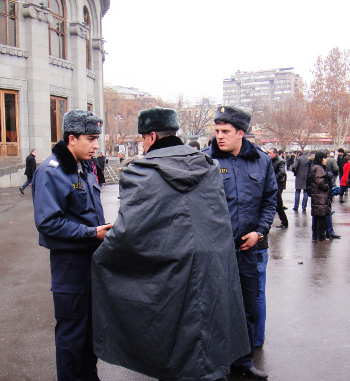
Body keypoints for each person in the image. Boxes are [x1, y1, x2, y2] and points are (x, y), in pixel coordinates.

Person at [91, 107, 249, 381]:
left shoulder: (139, 172)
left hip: (170, 272)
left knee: (176, 340)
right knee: (206, 334)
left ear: (152, 136)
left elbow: (130, 231)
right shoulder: (209, 167)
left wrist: (104, 251)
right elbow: (218, 220)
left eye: (143, 139)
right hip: (211, 268)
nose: (143, 144)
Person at [32, 110, 113, 381]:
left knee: (90, 331)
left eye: (97, 139)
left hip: (92, 263)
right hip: (70, 268)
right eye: (90, 139)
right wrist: (92, 233)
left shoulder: (84, 167)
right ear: (71, 139)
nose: (96, 146)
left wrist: (100, 232)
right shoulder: (51, 171)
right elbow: (48, 223)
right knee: (71, 335)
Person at [202, 105, 276, 380]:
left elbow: (269, 200)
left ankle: (242, 361)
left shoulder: (261, 160)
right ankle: (215, 364)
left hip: (247, 248)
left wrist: (260, 231)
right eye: (217, 131)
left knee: (246, 306)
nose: (219, 136)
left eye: (225, 131)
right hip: (214, 250)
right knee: (213, 307)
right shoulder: (204, 160)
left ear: (241, 133)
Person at [310, 150, 331, 242]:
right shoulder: (319, 168)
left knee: (316, 217)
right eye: (325, 158)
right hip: (321, 195)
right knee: (321, 217)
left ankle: (315, 236)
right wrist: (327, 187)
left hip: (316, 194)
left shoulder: (314, 167)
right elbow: (321, 182)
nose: (326, 159)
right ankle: (321, 237)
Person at [255, 231, 269, 349]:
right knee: (258, 293)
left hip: (235, 242)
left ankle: (255, 338)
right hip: (259, 243)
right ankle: (257, 339)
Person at [268, 148, 288, 228]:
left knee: (278, 204)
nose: (268, 154)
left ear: (275, 154)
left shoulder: (280, 161)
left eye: (270, 153)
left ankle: (284, 221)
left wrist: (273, 179)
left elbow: (282, 172)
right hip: (271, 184)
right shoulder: (270, 161)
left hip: (277, 185)